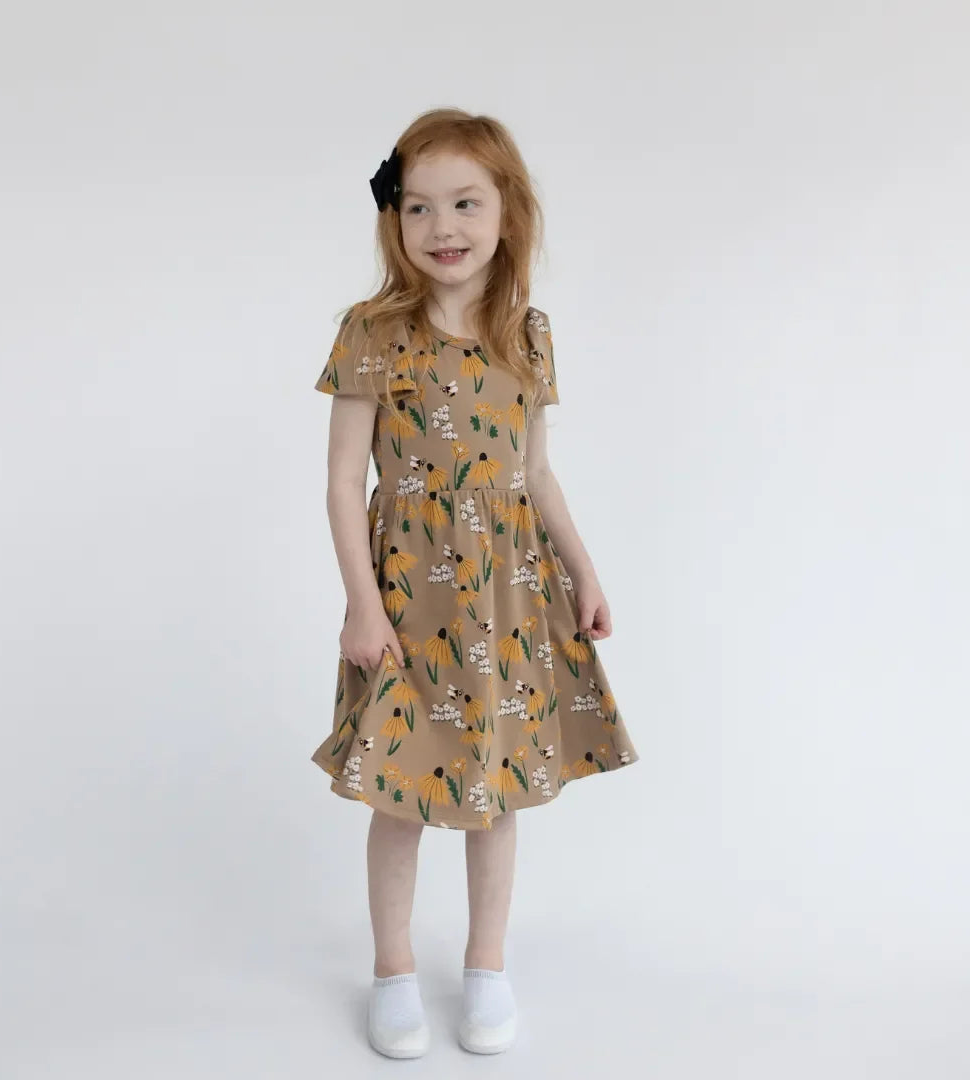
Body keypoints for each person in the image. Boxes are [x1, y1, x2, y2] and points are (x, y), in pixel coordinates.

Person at [310, 108, 641, 1058]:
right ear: (395, 221)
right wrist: (363, 606)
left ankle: (487, 968)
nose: (442, 227)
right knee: (400, 794)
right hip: (411, 606)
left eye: (464, 203)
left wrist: (584, 572)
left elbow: (536, 473)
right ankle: (393, 972)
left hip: (507, 603)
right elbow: (342, 481)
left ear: (507, 212)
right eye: (418, 208)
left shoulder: (527, 337)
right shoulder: (373, 332)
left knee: (495, 792)